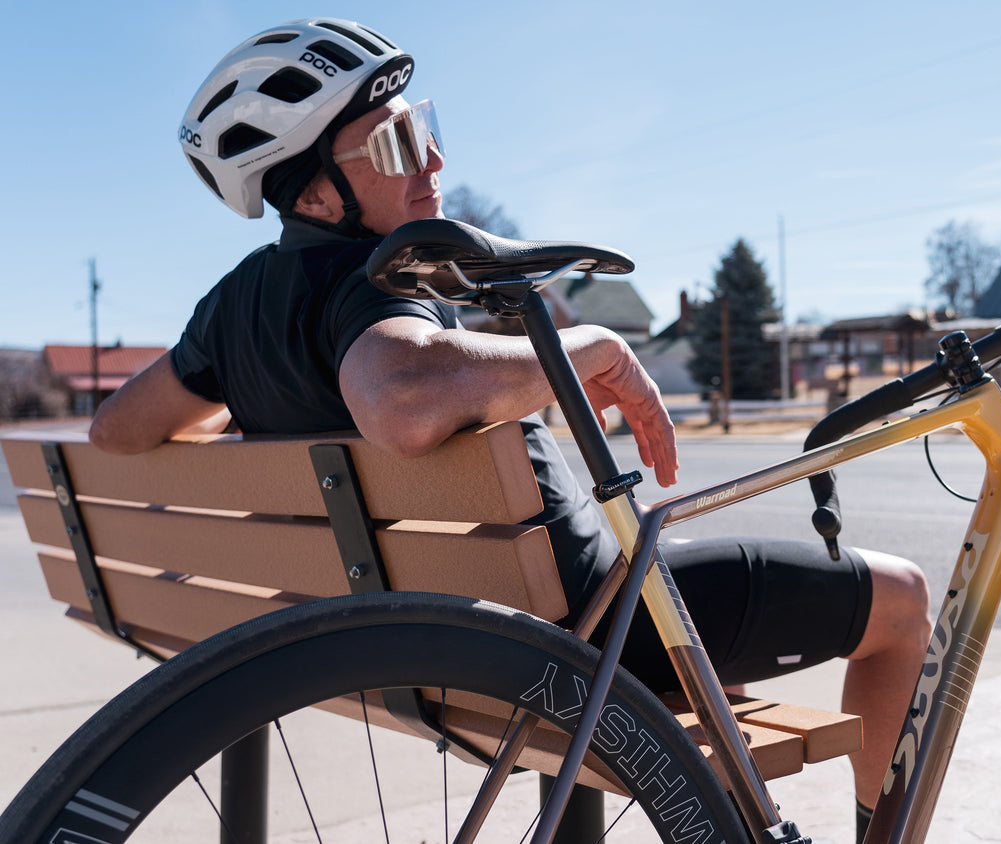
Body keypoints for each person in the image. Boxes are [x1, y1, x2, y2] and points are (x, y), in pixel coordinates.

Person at [90, 18, 930, 832]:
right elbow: (401, 399)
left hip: (416, 650)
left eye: (423, 128)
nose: (433, 159)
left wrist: (264, 401)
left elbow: (116, 432)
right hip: (578, 643)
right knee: (901, 601)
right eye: (395, 145)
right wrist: (586, 350)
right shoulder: (371, 284)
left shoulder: (232, 308)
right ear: (313, 191)